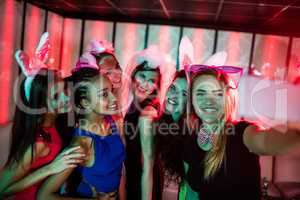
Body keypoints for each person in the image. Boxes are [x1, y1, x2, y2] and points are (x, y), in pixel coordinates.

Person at [169, 64, 300, 200]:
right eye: (201, 93)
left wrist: (295, 128)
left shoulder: (240, 133)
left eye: (217, 94)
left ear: (227, 99)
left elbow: (265, 141)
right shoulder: (191, 139)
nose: (209, 101)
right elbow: (191, 193)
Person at [0, 32, 84, 200]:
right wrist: (51, 168)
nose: (66, 97)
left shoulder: (53, 124)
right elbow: (2, 190)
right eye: (55, 96)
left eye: (65, 90)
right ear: (40, 106)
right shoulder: (38, 142)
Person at [37, 65, 126, 199]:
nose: (114, 99)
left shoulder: (111, 120)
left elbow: (119, 169)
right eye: (104, 94)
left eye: (112, 91)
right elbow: (43, 196)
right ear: (85, 103)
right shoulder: (82, 143)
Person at [123, 45, 163, 200]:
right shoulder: (134, 105)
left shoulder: (148, 111)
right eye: (142, 76)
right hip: (133, 174)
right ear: (133, 76)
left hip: (143, 180)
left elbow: (147, 164)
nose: (145, 84)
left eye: (152, 80)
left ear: (156, 86)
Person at [154, 70, 188, 198]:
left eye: (184, 93)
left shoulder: (192, 134)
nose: (174, 95)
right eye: (173, 88)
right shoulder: (158, 124)